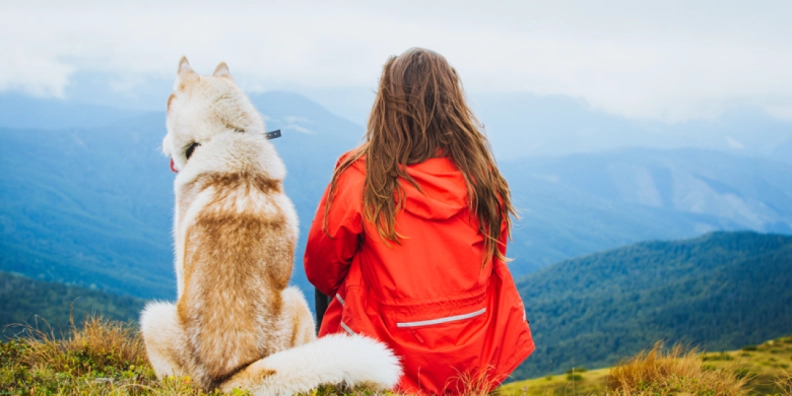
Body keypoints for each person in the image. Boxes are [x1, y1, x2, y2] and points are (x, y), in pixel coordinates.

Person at [304, 48, 534, 395]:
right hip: (473, 351)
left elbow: (321, 269)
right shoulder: (481, 175)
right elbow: (494, 252)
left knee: (338, 278)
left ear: (386, 103)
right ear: (452, 103)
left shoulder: (360, 175)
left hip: (384, 354)